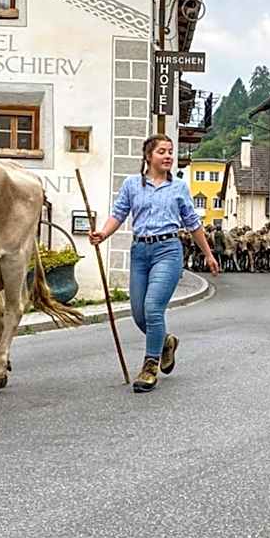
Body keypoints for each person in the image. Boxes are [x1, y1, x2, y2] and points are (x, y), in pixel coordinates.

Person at [89, 134, 220, 393]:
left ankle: (150, 366)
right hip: (139, 251)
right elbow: (119, 214)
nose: (169, 155)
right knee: (138, 313)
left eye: (170, 151)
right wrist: (103, 234)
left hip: (168, 250)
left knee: (152, 307)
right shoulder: (131, 184)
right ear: (148, 156)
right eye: (162, 151)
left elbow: (193, 222)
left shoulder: (179, 186)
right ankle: (166, 343)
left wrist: (208, 253)